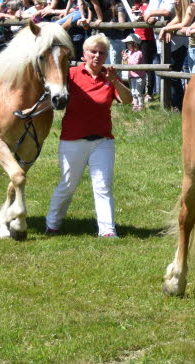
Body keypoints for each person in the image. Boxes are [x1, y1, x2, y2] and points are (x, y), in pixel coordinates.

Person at [45, 34, 132, 238]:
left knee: (103, 186)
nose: (97, 56)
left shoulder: (109, 77)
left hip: (102, 141)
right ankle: (52, 224)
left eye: (102, 52)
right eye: (93, 51)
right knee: (68, 185)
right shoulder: (71, 74)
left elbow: (127, 100)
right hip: (73, 140)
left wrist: (115, 82)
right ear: (84, 54)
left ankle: (107, 231)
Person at [160, 0, 195, 73]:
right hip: (192, 45)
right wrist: (168, 30)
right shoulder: (183, 9)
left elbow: (184, 24)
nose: (175, 1)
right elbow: (176, 20)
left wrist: (165, 28)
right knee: (188, 73)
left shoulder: (191, 7)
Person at [131, 0, 156, 101]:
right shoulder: (137, 5)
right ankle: (137, 91)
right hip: (138, 37)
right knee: (137, 63)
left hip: (148, 38)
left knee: (147, 65)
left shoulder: (152, 4)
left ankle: (149, 92)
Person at [122, 33, 144, 111]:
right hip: (131, 76)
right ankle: (135, 105)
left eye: (129, 43)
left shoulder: (139, 53)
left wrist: (127, 58)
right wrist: (125, 59)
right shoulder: (130, 53)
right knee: (133, 92)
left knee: (138, 92)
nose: (127, 45)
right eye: (127, 43)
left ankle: (140, 105)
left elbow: (135, 64)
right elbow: (126, 64)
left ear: (135, 44)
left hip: (138, 76)